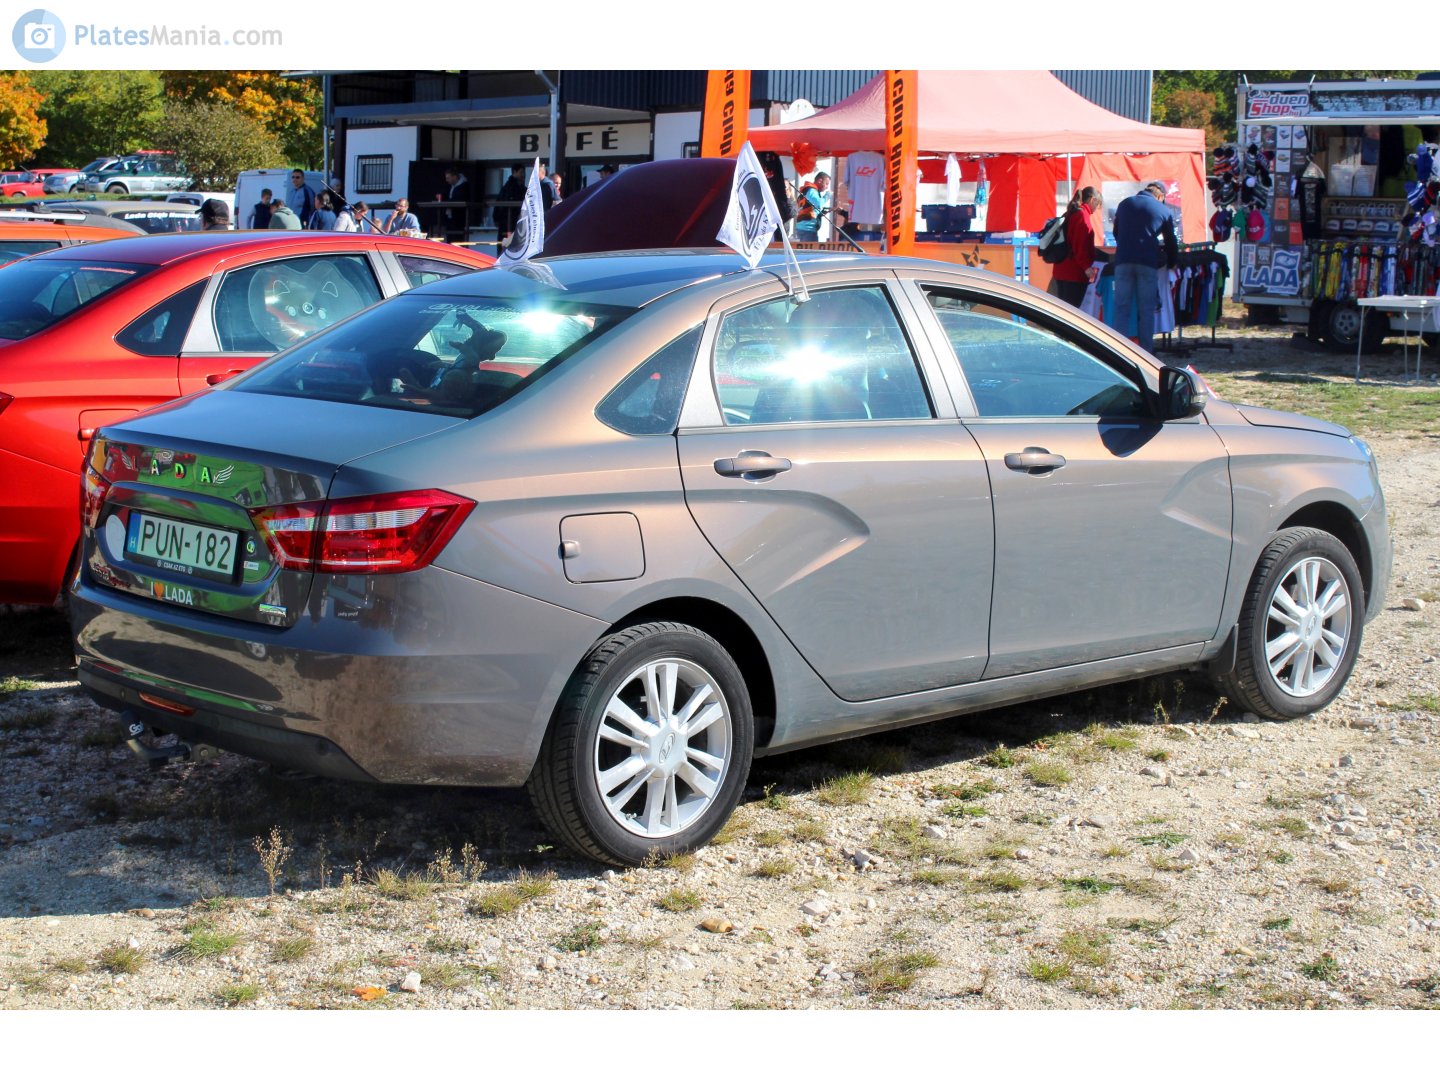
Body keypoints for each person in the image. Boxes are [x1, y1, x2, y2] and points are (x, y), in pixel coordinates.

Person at [1110, 181, 1178, 353]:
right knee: (1146, 310)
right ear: (1160, 196)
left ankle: (1119, 351)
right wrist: (1172, 262)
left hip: (1123, 261)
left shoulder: (1125, 204)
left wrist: (1126, 246)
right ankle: (1145, 352)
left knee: (1122, 307)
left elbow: (1116, 232)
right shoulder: (1163, 210)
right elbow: (1171, 241)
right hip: (1147, 262)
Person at [1047, 186, 1104, 307]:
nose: (1096, 209)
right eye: (1097, 204)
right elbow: (1080, 245)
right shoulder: (1082, 216)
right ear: (1092, 199)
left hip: (1061, 270)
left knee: (1061, 310)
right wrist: (1086, 268)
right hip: (1074, 274)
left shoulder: (1070, 213)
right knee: (1071, 312)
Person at [794, 171, 830, 242]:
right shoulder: (812, 191)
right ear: (820, 181)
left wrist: (821, 213)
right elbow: (819, 203)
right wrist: (827, 195)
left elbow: (808, 208)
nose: (827, 187)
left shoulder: (808, 190)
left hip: (803, 227)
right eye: (826, 184)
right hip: (808, 229)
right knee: (810, 252)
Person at [494, 165, 526, 239]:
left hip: (513, 223)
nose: (523, 175)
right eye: (521, 172)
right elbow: (501, 205)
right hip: (509, 223)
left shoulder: (512, 187)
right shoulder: (509, 188)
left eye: (524, 172)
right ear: (514, 172)